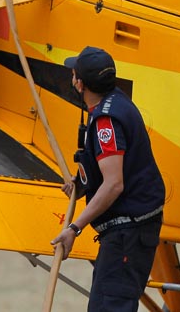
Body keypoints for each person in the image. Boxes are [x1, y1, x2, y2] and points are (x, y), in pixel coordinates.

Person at [51, 46, 166, 312]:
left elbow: (114, 183)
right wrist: (81, 184)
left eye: (74, 73)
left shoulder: (106, 122)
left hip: (127, 234)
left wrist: (74, 228)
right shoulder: (117, 101)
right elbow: (109, 170)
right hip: (134, 229)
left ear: (80, 83)